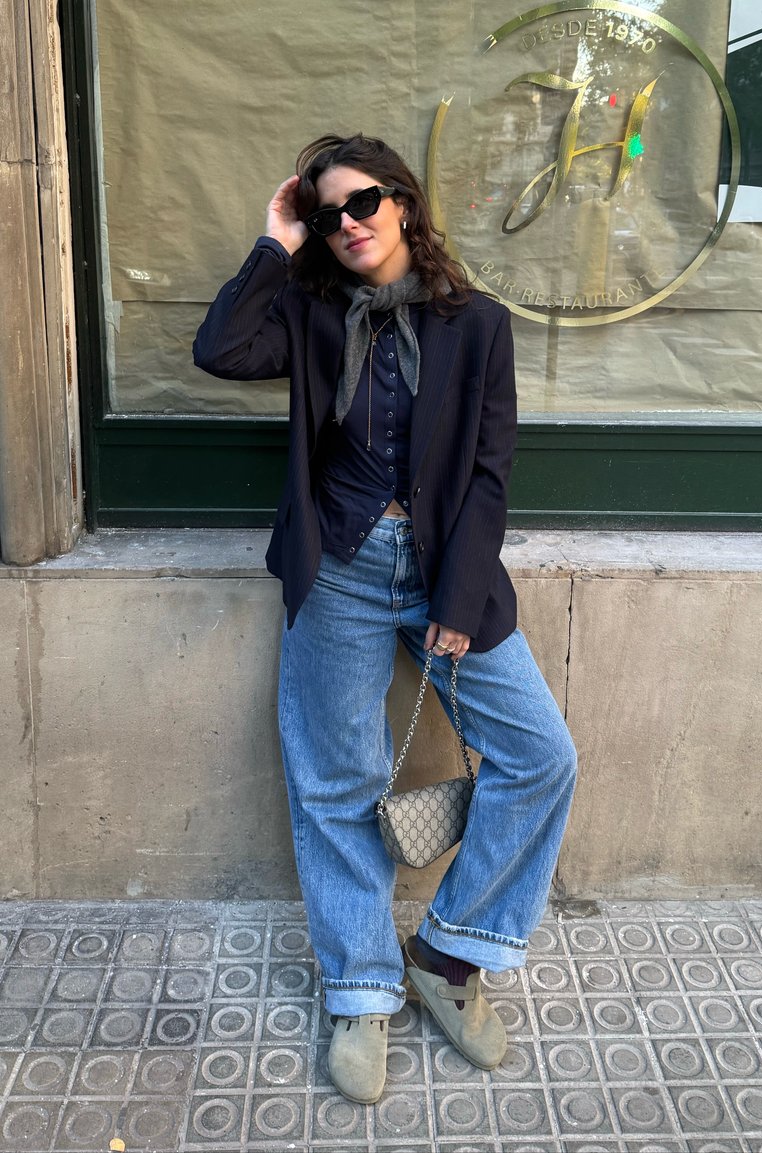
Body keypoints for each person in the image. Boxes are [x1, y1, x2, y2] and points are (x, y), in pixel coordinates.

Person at [193, 133, 577, 1105]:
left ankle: (447, 956)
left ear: (403, 201)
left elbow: (489, 471)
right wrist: (276, 242)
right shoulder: (309, 311)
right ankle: (361, 987)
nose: (348, 224)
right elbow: (220, 350)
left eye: (362, 202)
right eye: (327, 214)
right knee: (338, 779)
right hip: (342, 567)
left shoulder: (478, 325)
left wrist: (457, 596)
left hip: (448, 569)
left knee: (538, 754)